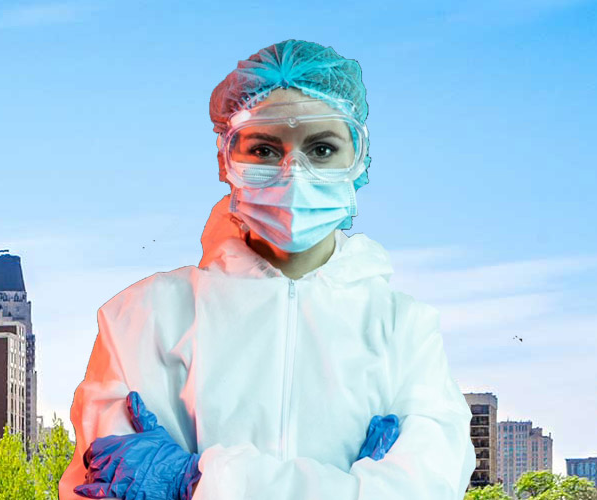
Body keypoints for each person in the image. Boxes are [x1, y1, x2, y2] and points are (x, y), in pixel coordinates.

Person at [56, 40, 474, 499]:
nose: (293, 172)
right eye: (264, 150)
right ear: (226, 159)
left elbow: (433, 487)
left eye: (321, 148)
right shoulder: (141, 318)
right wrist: (354, 489)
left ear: (358, 161)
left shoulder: (404, 329)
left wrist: (195, 483)